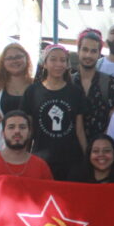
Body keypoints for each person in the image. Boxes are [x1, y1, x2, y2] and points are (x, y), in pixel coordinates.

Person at [21, 44, 88, 181]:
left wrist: (87, 157)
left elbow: (79, 130)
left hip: (71, 160)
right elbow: (29, 129)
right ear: (44, 63)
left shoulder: (76, 92)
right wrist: (23, 156)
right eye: (53, 59)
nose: (59, 64)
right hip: (41, 158)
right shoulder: (32, 92)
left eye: (63, 60)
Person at [72, 28, 114, 141]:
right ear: (78, 51)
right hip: (70, 150)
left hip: (100, 151)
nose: (88, 55)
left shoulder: (110, 83)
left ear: (99, 54)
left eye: (93, 51)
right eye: (85, 50)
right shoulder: (69, 82)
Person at [0, 110, 54, 180]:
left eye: (22, 127)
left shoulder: (41, 166)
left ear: (29, 133)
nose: (17, 131)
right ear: (3, 134)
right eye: (11, 127)